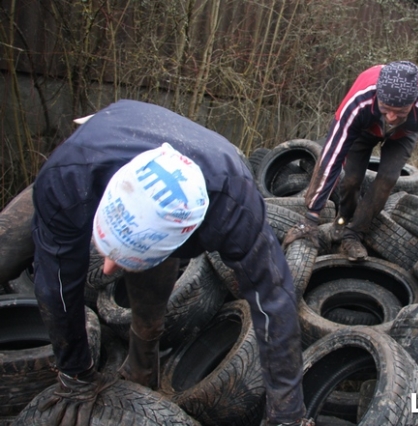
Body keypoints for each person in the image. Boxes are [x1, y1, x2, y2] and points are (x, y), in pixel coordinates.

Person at [31, 100, 312, 426]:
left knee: (150, 309)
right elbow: (56, 286)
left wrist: (287, 415)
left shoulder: (235, 207)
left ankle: (143, 368)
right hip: (109, 134)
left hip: (207, 163)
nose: (106, 269)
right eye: (108, 249)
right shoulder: (65, 178)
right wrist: (74, 372)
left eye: (125, 258)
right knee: (16, 244)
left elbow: (274, 300)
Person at [283, 60, 418, 261]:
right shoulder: (360, 98)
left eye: (401, 111)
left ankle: (353, 234)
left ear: (413, 103)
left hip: (404, 135)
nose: (392, 117)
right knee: (351, 179)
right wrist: (311, 216)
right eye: (386, 109)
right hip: (364, 130)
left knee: (387, 179)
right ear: (378, 95)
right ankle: (342, 219)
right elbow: (332, 153)